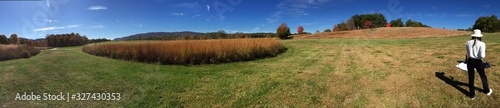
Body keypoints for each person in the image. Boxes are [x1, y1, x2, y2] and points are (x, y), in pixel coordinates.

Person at [466, 29, 493, 100]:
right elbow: (482, 56)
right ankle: (486, 91)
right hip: (478, 62)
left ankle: (472, 95)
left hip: (470, 61)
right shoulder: (482, 43)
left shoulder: (468, 42)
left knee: (471, 77)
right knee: (483, 76)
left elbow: (468, 53)